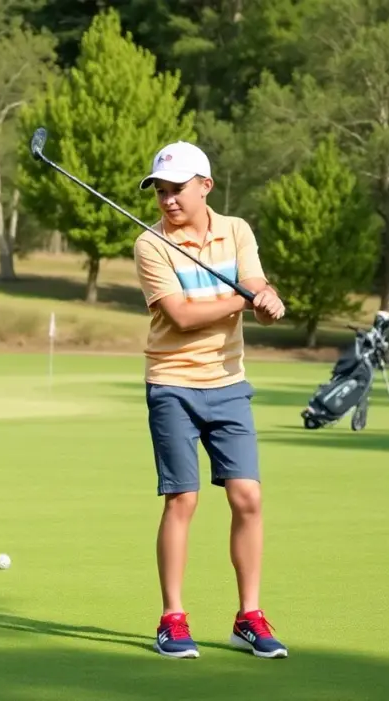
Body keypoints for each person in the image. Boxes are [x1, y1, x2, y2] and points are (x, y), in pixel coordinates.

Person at [132, 141, 289, 659]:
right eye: (159, 191)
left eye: (176, 189)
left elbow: (255, 283)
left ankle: (249, 616)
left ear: (205, 186)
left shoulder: (237, 230)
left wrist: (266, 300)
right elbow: (181, 315)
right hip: (172, 382)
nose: (167, 200)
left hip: (228, 384)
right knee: (184, 499)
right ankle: (172, 618)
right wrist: (244, 300)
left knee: (248, 497)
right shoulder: (150, 245)